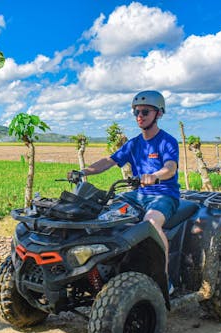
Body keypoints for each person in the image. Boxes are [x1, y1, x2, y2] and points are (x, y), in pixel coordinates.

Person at [69, 90, 179, 293]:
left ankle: (165, 278)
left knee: (152, 224)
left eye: (145, 111)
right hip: (137, 195)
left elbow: (170, 167)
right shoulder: (134, 143)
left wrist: (155, 175)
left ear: (159, 114)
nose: (140, 116)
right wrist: (83, 171)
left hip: (163, 195)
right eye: (136, 112)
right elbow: (109, 161)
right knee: (104, 214)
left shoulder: (167, 141)